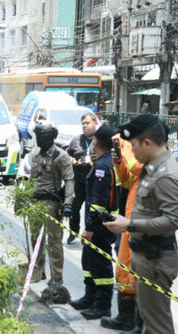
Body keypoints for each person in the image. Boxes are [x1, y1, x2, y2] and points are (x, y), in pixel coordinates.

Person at [104, 114, 178, 334]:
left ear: (148, 142)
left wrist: (132, 224)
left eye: (135, 146)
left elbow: (172, 221)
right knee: (147, 317)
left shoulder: (167, 175)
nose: (132, 151)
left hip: (156, 257)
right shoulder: (151, 167)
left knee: (158, 321)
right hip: (143, 255)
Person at [69, 124, 119, 319]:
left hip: (100, 225)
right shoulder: (106, 162)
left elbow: (98, 202)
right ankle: (90, 297)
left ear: (96, 142)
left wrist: (90, 228)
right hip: (99, 223)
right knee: (88, 261)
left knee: (100, 264)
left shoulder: (102, 167)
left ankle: (102, 305)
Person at [101, 133, 144, 334]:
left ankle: (137, 327)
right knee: (123, 272)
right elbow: (127, 180)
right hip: (129, 225)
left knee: (136, 278)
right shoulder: (141, 165)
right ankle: (125, 317)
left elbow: (135, 167)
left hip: (139, 229)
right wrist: (119, 161)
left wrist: (126, 146)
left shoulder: (151, 165)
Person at [28, 120, 74, 293]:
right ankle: (39, 270)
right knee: (35, 238)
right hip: (35, 201)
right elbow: (32, 178)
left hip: (51, 203)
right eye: (36, 135)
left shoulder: (61, 156)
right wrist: (23, 196)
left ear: (48, 136)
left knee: (53, 240)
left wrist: (68, 203)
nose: (37, 139)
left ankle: (57, 277)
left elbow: (69, 180)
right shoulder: (36, 153)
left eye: (40, 136)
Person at [65, 113, 98, 243]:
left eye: (88, 123)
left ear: (95, 123)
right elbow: (67, 154)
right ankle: (73, 231)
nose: (85, 126)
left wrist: (95, 162)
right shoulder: (76, 140)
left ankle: (88, 234)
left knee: (90, 211)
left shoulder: (99, 140)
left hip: (93, 181)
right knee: (74, 208)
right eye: (83, 123)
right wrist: (72, 160)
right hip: (78, 179)